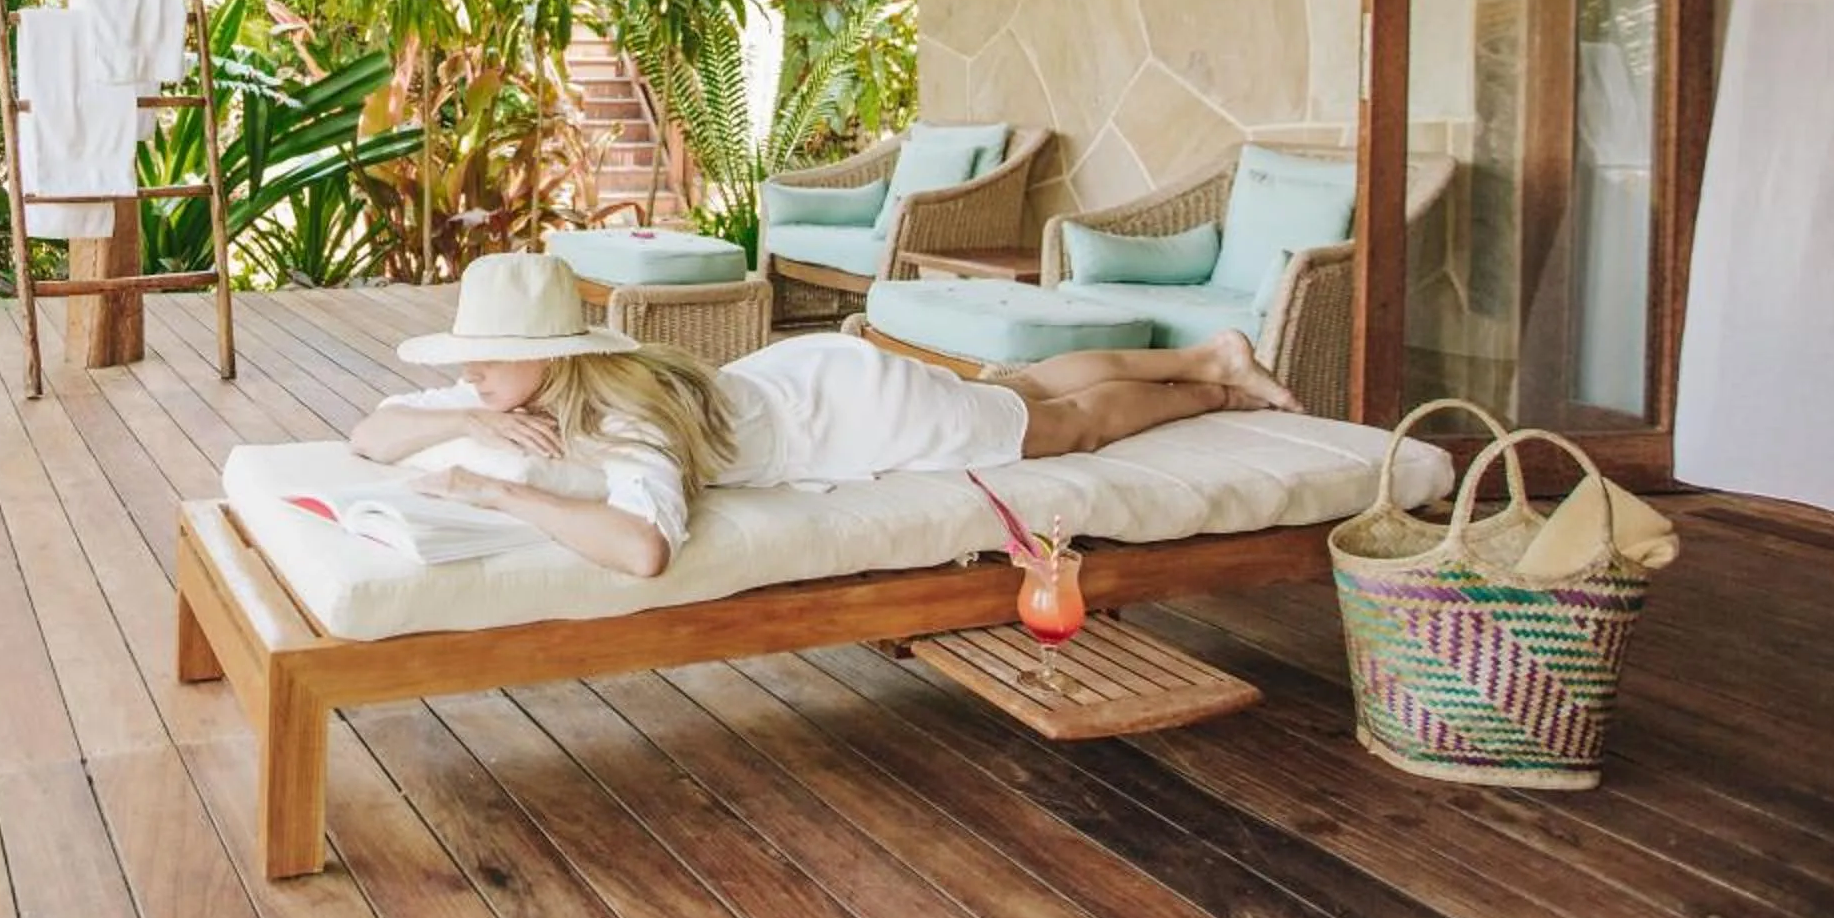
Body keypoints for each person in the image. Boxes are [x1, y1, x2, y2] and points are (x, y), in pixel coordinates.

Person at [351, 251, 1298, 577]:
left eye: (487, 359)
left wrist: (492, 491)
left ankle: (1214, 387)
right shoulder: (498, 400)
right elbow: (373, 434)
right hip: (805, 377)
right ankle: (1210, 352)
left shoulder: (624, 420)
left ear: (546, 363)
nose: (470, 369)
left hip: (860, 413)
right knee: (1018, 386)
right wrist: (466, 426)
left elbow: (643, 550)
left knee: (1060, 424)